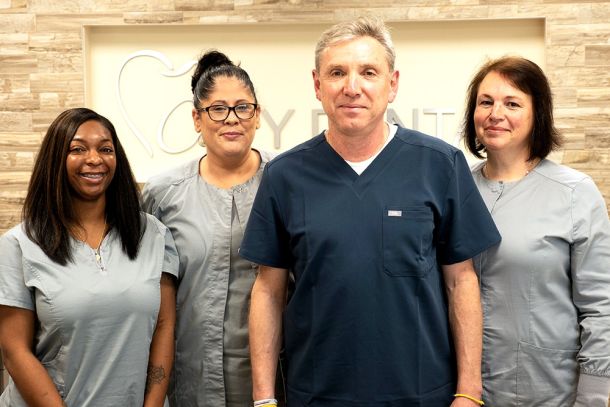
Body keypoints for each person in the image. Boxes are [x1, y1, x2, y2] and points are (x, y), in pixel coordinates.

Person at [240, 17, 501, 406]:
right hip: (317, 395)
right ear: (317, 84)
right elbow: (268, 290)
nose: (352, 87)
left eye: (368, 72)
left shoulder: (439, 165)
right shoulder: (285, 176)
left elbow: (461, 281)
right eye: (337, 73)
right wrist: (263, 398)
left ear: (392, 84)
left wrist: (469, 392)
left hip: (421, 394)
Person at [0, 107, 178, 406]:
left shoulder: (153, 234)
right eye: (78, 149)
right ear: (55, 160)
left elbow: (164, 326)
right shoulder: (19, 244)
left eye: (105, 149)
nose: (94, 159)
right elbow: (15, 352)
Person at [462, 56, 610, 406]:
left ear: (537, 114)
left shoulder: (574, 192)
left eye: (512, 103)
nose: (495, 113)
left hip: (546, 390)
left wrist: (594, 395)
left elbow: (601, 306)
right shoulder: (455, 188)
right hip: (464, 391)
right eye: (486, 102)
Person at [142, 50, 283, 406]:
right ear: (197, 118)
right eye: (217, 109)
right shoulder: (163, 193)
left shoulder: (288, 181)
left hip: (275, 381)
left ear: (257, 115)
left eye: (242, 107)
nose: (231, 119)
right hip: (190, 381)